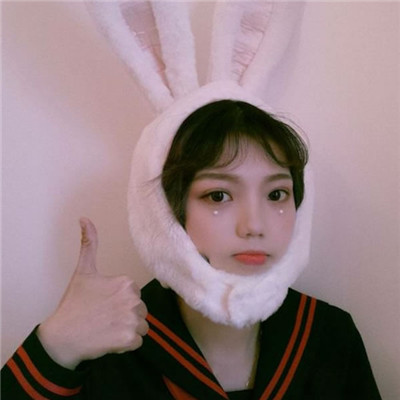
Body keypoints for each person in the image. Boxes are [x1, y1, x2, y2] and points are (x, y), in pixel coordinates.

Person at [1, 100, 381, 399]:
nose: (255, 225)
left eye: (277, 194)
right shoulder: (116, 345)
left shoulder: (329, 336)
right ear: (170, 210)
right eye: (218, 195)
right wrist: (55, 345)